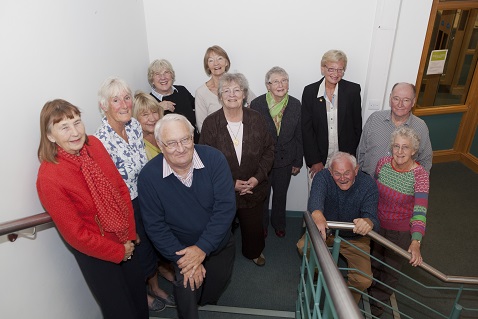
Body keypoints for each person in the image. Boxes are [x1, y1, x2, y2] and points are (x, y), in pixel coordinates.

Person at [36, 99, 148, 318]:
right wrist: (118, 251)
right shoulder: (49, 177)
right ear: (50, 136)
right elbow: (76, 235)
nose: (75, 132)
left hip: (125, 238)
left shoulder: (94, 145)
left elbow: (120, 188)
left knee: (138, 299)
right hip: (98, 254)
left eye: (77, 122)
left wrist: (130, 233)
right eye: (64, 127)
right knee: (120, 311)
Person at [138, 114, 236, 319]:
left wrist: (202, 249)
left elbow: (225, 209)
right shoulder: (149, 176)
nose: (181, 148)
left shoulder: (215, 159)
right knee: (187, 292)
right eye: (171, 143)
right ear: (159, 145)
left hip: (218, 243)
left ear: (194, 138)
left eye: (185, 139)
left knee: (214, 288)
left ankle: (206, 296)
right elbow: (155, 226)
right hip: (180, 250)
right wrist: (188, 260)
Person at [95, 77, 170, 311]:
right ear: (104, 106)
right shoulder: (100, 142)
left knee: (151, 242)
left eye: (126, 98)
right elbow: (105, 188)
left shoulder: (135, 126)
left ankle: (155, 286)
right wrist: (124, 222)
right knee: (136, 254)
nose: (124, 104)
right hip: (124, 206)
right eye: (115, 100)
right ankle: (143, 294)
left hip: (145, 197)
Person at [200, 72, 274, 266]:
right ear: (220, 95)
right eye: (227, 90)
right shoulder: (211, 123)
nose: (232, 95)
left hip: (254, 187)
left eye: (237, 90)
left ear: (244, 94)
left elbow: (268, 151)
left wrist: (257, 179)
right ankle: (218, 258)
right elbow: (204, 161)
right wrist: (231, 184)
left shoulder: (257, 119)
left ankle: (254, 252)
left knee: (253, 227)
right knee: (221, 228)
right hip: (223, 190)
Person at [368, 126, 429, 317]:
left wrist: (415, 241)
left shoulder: (420, 176)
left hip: (400, 232)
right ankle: (369, 290)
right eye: (396, 146)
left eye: (405, 147)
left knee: (390, 271)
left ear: (413, 151)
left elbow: (420, 211)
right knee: (373, 262)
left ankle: (376, 306)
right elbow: (373, 193)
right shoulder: (382, 164)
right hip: (377, 225)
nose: (400, 152)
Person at [308, 152, 379, 303]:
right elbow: (315, 200)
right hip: (326, 232)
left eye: (347, 173)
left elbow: (372, 217)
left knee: (363, 280)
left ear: (356, 170)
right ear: (330, 172)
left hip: (355, 238)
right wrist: (317, 214)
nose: (342, 178)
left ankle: (347, 303)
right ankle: (316, 270)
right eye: (337, 174)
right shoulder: (322, 177)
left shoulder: (368, 184)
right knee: (303, 247)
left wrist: (368, 222)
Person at [132, 91, 177, 303]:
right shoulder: (135, 143)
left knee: (166, 240)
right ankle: (154, 287)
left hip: (168, 198)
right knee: (149, 246)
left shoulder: (162, 134)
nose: (151, 118)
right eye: (144, 115)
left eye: (154, 112)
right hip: (148, 202)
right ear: (135, 118)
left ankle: (164, 268)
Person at [250, 66, 303, 238]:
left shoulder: (295, 104)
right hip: (263, 160)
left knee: (281, 194)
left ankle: (279, 224)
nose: (280, 85)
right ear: (268, 85)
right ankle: (262, 225)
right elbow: (252, 135)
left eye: (284, 80)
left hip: (286, 159)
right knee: (263, 195)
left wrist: (297, 161)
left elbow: (299, 134)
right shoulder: (257, 104)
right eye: (276, 81)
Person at [302, 49, 362, 181]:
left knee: (341, 197)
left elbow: (357, 127)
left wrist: (348, 158)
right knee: (317, 198)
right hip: (318, 160)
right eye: (331, 69)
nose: (336, 74)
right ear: (322, 68)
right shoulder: (310, 91)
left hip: (343, 160)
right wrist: (315, 160)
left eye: (340, 69)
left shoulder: (353, 91)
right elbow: (306, 129)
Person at [357, 82, 433, 176]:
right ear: (390, 99)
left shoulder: (420, 127)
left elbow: (425, 160)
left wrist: (417, 184)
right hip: (368, 180)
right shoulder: (375, 118)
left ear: (413, 102)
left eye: (406, 100)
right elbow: (361, 150)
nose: (400, 104)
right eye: (396, 98)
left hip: (399, 187)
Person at [195, 45, 256, 132]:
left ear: (226, 62)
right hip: (215, 139)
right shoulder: (201, 92)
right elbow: (202, 127)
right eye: (211, 60)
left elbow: (256, 104)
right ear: (207, 66)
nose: (216, 63)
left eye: (219, 58)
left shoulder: (238, 83)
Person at [148, 59, 199, 142]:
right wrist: (158, 108)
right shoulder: (149, 100)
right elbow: (149, 128)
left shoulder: (182, 90)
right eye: (157, 74)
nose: (163, 77)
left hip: (194, 142)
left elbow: (199, 105)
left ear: (172, 75)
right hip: (171, 149)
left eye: (166, 72)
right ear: (152, 80)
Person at [133, 91, 164, 160]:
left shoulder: (166, 133)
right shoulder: (137, 145)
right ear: (136, 118)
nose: (152, 119)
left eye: (154, 112)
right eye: (145, 114)